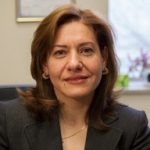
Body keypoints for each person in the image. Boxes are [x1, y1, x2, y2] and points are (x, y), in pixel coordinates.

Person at [0, 4, 150, 150]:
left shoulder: (133, 126)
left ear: (103, 59)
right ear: (44, 65)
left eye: (86, 50)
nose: (74, 64)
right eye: (60, 52)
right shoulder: (8, 121)